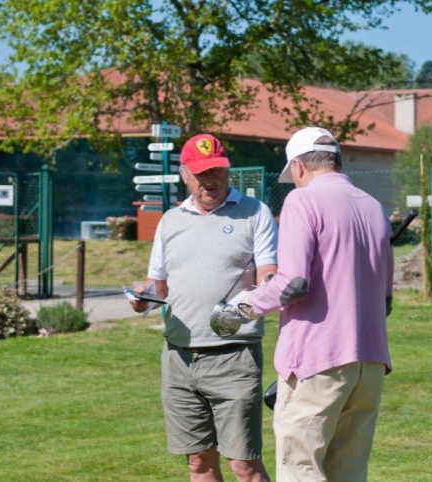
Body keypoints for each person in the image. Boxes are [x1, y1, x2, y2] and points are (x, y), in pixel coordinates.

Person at [225, 126, 394, 481]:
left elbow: (293, 284)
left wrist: (241, 307)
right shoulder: (374, 207)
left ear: (299, 167)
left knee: (300, 468)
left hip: (319, 359)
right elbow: (386, 299)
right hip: (370, 361)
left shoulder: (302, 201)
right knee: (348, 471)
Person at [129, 133, 277, 482]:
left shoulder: (255, 213)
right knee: (197, 461)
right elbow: (160, 285)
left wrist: (254, 300)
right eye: (200, 172)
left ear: (228, 171)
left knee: (244, 464)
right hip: (179, 357)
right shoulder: (170, 220)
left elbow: (271, 278)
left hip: (234, 356)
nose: (209, 179)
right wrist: (143, 295)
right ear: (184, 174)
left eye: (217, 171)